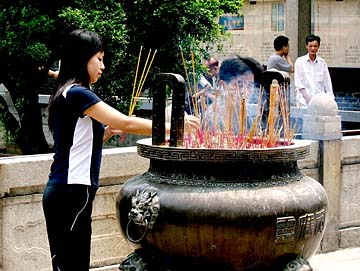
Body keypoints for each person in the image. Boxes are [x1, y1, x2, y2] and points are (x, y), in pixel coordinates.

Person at [42, 29, 199, 271]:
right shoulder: (78, 93)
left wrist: (104, 133)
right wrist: (174, 128)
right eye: (99, 58)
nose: (102, 66)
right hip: (71, 192)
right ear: (81, 57)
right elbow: (124, 122)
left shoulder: (65, 92)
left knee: (68, 264)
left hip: (65, 190)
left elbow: (75, 145)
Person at [201, 55, 263, 135]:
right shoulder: (213, 117)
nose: (245, 91)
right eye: (239, 84)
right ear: (223, 85)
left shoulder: (244, 114)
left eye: (249, 85)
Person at [294, 34, 334, 107]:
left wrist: (330, 101)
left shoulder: (322, 63)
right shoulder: (299, 62)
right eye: (310, 46)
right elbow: (298, 84)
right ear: (306, 46)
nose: (313, 48)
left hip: (320, 103)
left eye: (315, 46)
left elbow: (327, 84)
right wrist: (308, 99)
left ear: (318, 47)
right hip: (303, 102)